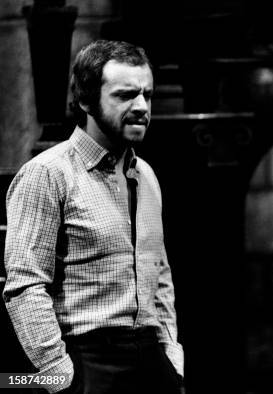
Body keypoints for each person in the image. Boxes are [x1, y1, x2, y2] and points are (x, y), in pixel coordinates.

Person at [3, 40, 183, 394]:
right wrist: (60, 374)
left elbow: (159, 275)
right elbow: (24, 285)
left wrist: (171, 356)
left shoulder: (145, 174)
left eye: (147, 94)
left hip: (150, 358)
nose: (141, 107)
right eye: (125, 95)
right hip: (88, 359)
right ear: (85, 100)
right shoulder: (47, 173)